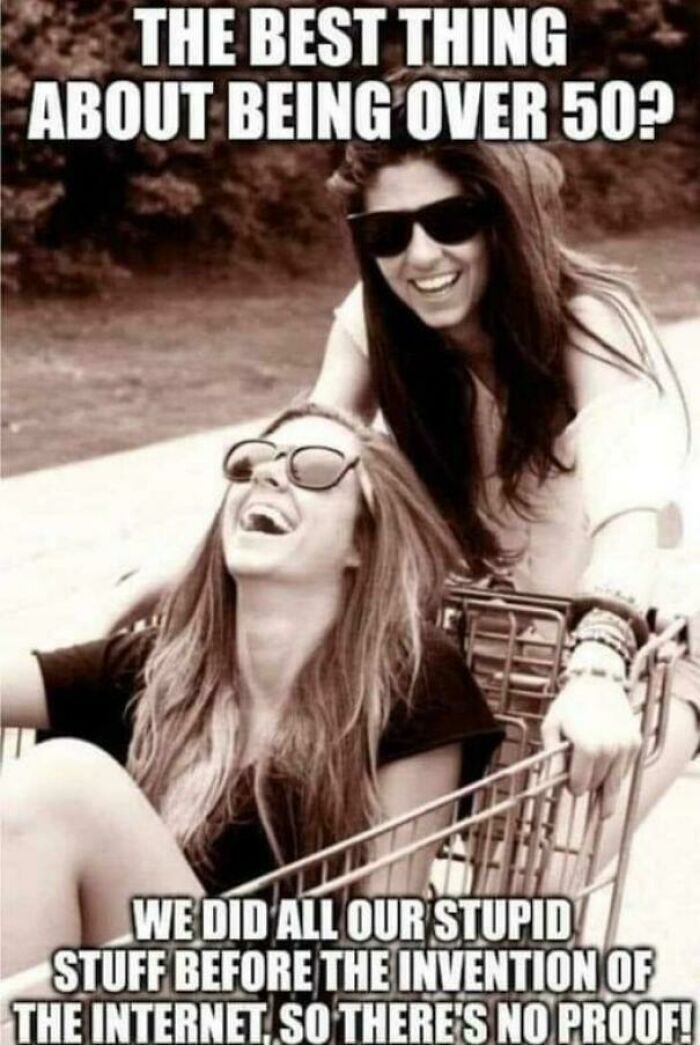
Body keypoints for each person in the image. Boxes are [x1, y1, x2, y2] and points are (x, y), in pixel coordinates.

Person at [311, 69, 698, 841]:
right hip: (490, 642)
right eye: (386, 233)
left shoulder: (589, 323)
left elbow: (629, 510)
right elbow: (315, 449)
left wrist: (596, 662)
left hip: (642, 649)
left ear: (504, 219)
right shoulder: (375, 323)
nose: (420, 256)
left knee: (547, 882)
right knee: (414, 886)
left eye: (450, 219)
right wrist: (186, 577)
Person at [1, 403, 503, 977]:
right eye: (253, 462)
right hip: (138, 1000)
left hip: (273, 1016)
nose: (267, 473)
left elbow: (385, 943)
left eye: (313, 469)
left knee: (65, 782)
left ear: (360, 543)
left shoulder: (408, 676)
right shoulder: (169, 666)